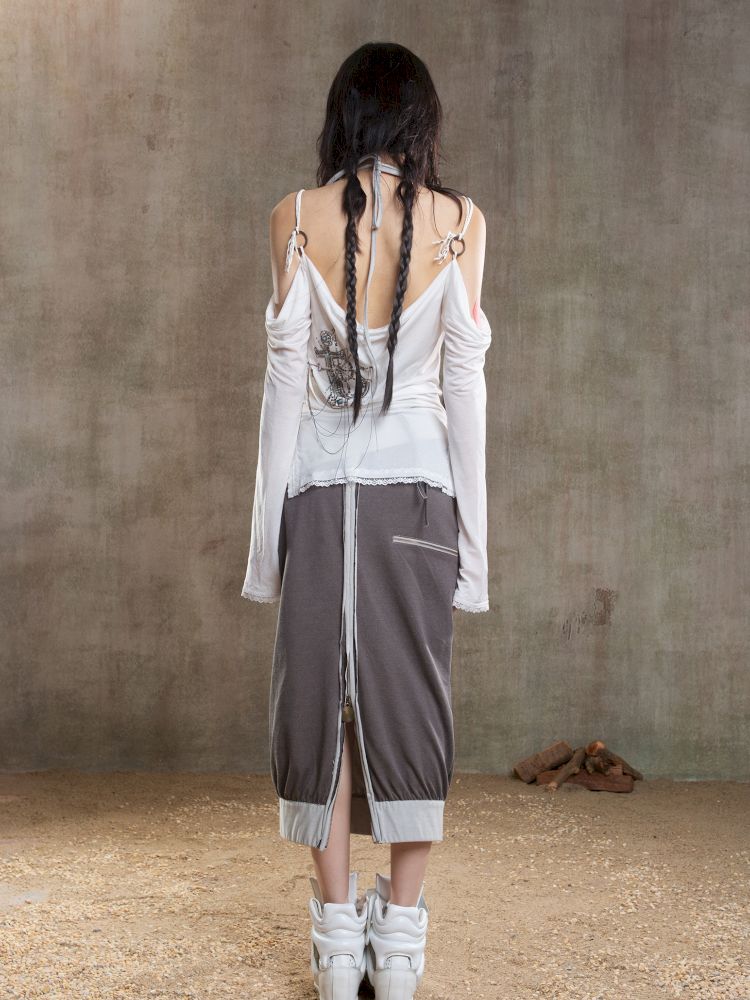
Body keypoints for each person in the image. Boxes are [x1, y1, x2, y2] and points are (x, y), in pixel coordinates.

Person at [241, 41, 492, 1000]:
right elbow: (464, 392)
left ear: (343, 117)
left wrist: (265, 552)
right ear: (420, 121)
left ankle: (339, 940)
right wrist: (474, 555)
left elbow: (283, 391)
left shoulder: (294, 218)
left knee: (320, 705)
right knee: (412, 702)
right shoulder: (459, 224)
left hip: (317, 495)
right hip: (419, 497)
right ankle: (403, 946)